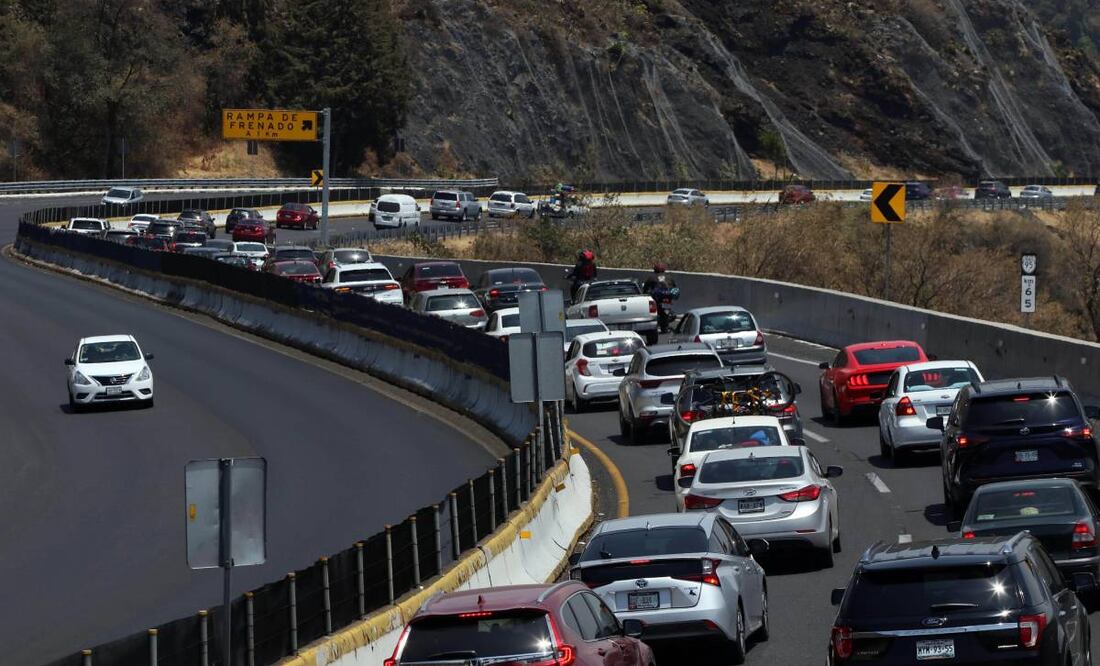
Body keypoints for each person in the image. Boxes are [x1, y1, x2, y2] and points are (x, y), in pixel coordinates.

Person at [643, 263, 679, 332]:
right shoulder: (669, 277)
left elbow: (645, 288)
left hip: (658, 298)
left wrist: (645, 293)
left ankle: (660, 321)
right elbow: (675, 287)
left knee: (652, 308)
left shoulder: (651, 278)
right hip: (668, 297)